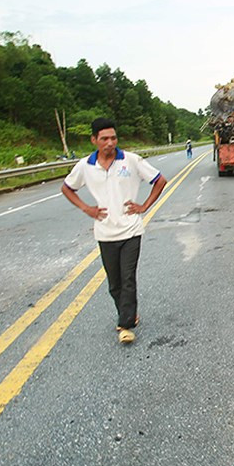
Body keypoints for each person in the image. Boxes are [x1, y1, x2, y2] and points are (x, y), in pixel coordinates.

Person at [61, 118, 167, 344]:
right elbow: (67, 188)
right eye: (104, 139)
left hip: (131, 230)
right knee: (114, 283)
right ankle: (128, 313)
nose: (110, 143)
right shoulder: (85, 166)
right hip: (104, 233)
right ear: (94, 140)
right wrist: (86, 208)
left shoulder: (131, 160)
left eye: (113, 138)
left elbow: (159, 180)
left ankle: (126, 325)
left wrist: (144, 206)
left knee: (128, 278)